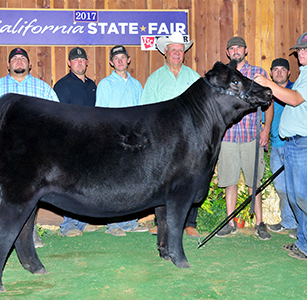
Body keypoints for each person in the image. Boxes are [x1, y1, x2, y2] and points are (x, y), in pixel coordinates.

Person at [255, 31, 307, 260]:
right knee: (297, 197)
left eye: (305, 48)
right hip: (297, 145)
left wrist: (268, 83)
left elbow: (294, 99)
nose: (300, 53)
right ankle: (305, 241)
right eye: (299, 49)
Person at [0, 48, 59, 247]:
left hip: (34, 153)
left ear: (30, 65)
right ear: (8, 65)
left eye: (23, 58)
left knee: (33, 193)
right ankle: (3, 235)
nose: (19, 61)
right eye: (15, 59)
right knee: (1, 194)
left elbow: (56, 117)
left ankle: (29, 234)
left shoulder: (43, 88)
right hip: (3, 151)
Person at [139, 31, 201, 238]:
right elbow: (146, 109)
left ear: (184, 53)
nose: (176, 53)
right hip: (163, 139)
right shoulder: (155, 78)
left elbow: (203, 108)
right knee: (162, 180)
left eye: (180, 50)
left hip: (189, 138)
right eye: (173, 50)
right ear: (165, 52)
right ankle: (161, 221)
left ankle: (189, 223)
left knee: (190, 179)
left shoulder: (193, 77)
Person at [215, 36, 273, 240]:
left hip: (251, 135)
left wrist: (266, 130)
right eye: (232, 48)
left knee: (253, 182)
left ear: (246, 50)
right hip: (228, 136)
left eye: (239, 47)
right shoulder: (222, 75)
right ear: (227, 52)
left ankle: (259, 223)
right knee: (229, 181)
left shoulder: (258, 74)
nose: (236, 50)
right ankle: (230, 223)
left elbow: (269, 102)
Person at [95, 45, 148, 236]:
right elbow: (101, 115)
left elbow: (142, 113)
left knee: (132, 181)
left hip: (134, 140)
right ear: (111, 62)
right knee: (114, 182)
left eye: (122, 57)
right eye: (116, 58)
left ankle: (131, 222)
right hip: (114, 139)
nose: (119, 61)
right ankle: (114, 224)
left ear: (128, 60)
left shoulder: (137, 85)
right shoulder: (105, 84)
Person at [53, 47, 99, 237]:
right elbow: (57, 116)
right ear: (69, 63)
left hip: (91, 141)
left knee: (86, 184)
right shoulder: (61, 86)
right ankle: (69, 225)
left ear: (87, 63)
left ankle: (83, 221)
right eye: (75, 60)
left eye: (82, 60)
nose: (79, 63)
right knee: (69, 184)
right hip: (70, 142)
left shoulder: (92, 85)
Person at [265, 58, 297, 237]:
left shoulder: (295, 90)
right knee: (282, 188)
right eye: (275, 70)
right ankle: (288, 222)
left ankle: (301, 225)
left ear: (288, 73)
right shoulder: (268, 93)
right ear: (271, 73)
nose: (279, 73)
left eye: (282, 70)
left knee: (296, 188)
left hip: (293, 145)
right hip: (276, 145)